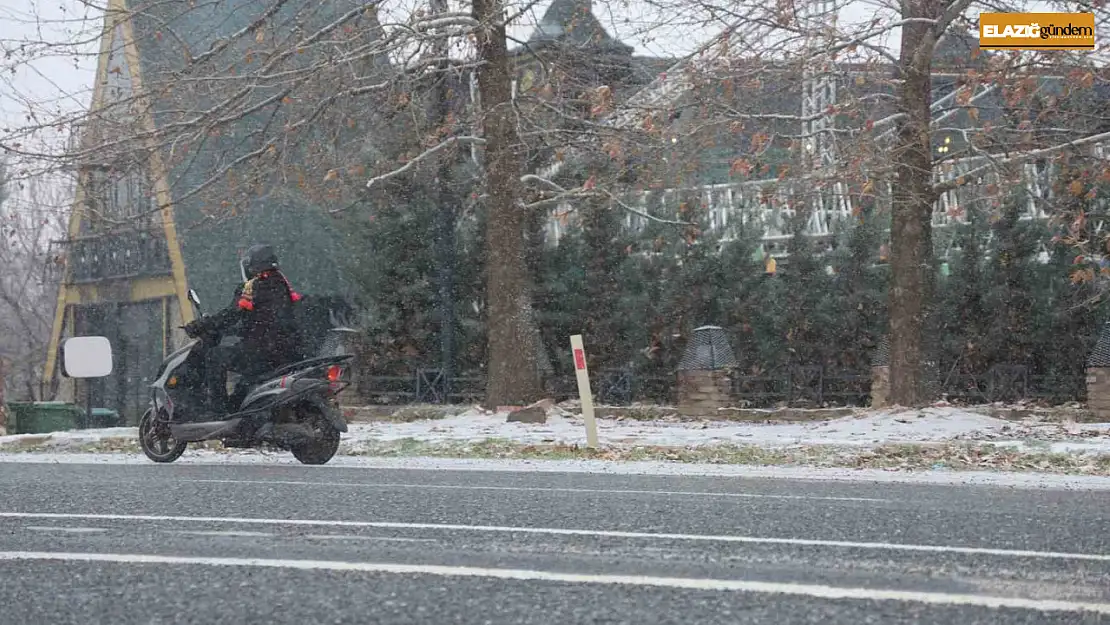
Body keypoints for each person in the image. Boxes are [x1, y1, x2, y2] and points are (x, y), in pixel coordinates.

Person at [184, 244, 306, 414]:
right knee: (244, 382)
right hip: (285, 353)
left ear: (252, 265)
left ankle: (218, 411)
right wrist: (234, 331)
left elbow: (231, 314)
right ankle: (240, 413)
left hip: (263, 352)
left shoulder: (253, 287)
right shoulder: (283, 285)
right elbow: (264, 321)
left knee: (215, 357)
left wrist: (202, 325)